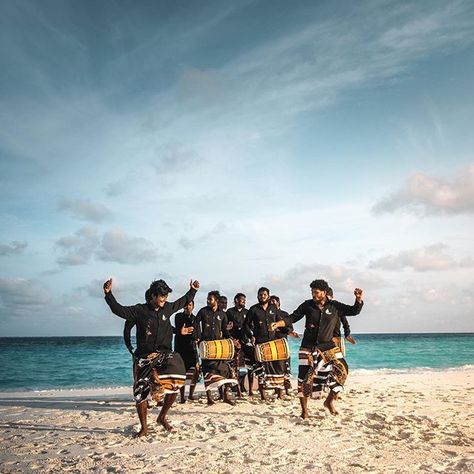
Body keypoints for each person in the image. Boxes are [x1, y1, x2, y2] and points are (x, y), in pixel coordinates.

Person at [103, 277, 200, 436]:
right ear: (153, 296)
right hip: (145, 356)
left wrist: (193, 290)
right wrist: (108, 294)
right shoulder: (140, 310)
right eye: (161, 296)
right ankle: (144, 427)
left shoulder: (167, 308)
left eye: (166, 296)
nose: (164, 299)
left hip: (164, 354)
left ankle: (162, 417)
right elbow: (119, 310)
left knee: (176, 380)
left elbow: (183, 301)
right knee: (140, 391)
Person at [272, 279, 363, 419]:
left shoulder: (335, 306)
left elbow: (353, 311)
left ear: (324, 293)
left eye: (316, 292)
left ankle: (329, 401)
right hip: (308, 346)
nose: (313, 295)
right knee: (303, 378)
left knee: (342, 370)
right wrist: (279, 323)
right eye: (312, 292)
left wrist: (358, 299)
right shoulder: (307, 305)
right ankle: (304, 411)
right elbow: (293, 317)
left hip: (328, 347)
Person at [194, 291, 239, 406]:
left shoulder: (222, 314)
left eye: (210, 299)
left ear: (216, 301)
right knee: (207, 371)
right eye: (207, 299)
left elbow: (225, 330)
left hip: (219, 348)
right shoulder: (203, 311)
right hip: (206, 346)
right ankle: (209, 398)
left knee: (226, 370)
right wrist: (198, 337)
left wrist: (231, 340)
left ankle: (225, 395)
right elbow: (195, 322)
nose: (208, 301)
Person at [244, 287, 286, 400]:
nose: (262, 296)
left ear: (268, 296)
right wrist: (251, 335)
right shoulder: (253, 309)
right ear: (258, 296)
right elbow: (246, 325)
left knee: (277, 367)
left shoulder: (273, 308)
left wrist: (289, 332)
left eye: (264, 294)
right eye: (260, 295)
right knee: (261, 369)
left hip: (273, 343)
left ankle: (279, 393)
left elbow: (279, 323)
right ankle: (262, 395)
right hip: (259, 343)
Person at [270, 295, 298, 396]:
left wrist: (279, 327)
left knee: (285, 367)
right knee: (274, 367)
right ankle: (277, 390)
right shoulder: (268, 314)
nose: (272, 303)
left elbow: (290, 329)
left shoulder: (284, 314)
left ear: (278, 303)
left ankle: (286, 389)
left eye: (274, 302)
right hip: (272, 344)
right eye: (270, 302)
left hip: (283, 343)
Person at [174, 300, 199, 403]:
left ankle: (191, 395)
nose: (187, 307)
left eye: (189, 305)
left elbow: (198, 333)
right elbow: (179, 329)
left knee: (195, 371)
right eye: (186, 305)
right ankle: (182, 396)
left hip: (192, 348)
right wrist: (184, 330)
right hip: (180, 348)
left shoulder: (195, 318)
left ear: (193, 306)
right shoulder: (178, 316)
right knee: (181, 372)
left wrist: (197, 339)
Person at [226, 293, 249, 396]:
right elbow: (226, 327)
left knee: (244, 366)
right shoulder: (230, 312)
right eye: (241, 300)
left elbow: (250, 326)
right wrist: (232, 340)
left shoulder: (247, 312)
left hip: (244, 342)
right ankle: (234, 386)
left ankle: (243, 385)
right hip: (234, 342)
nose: (243, 301)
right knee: (234, 366)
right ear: (236, 300)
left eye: (244, 300)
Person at [327, 287, 356, 356]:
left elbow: (345, 323)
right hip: (324, 339)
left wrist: (347, 335)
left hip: (336, 338)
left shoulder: (337, 308)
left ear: (332, 297)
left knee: (339, 361)